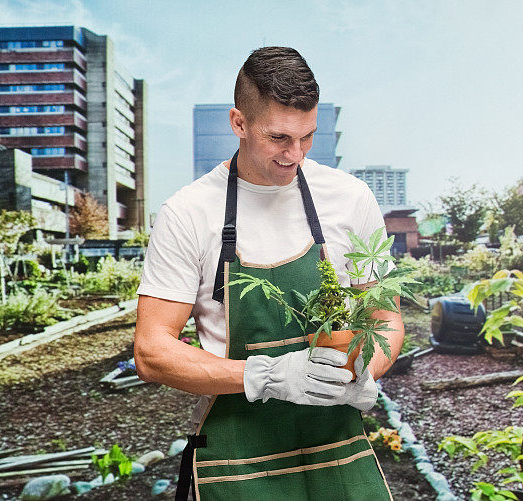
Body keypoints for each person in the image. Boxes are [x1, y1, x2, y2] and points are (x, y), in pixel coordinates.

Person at [134, 46, 404, 501]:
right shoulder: (188, 212)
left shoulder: (349, 198)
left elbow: (385, 319)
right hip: (239, 459)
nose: (294, 154)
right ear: (239, 123)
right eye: (278, 138)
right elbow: (151, 350)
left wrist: (365, 373)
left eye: (307, 137)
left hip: (336, 445)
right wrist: (265, 376)